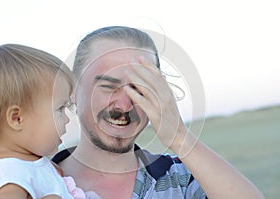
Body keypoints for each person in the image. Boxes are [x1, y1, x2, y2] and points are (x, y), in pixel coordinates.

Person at [52, 26, 264, 199]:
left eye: (140, 89)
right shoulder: (33, 180)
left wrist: (179, 136)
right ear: (72, 89)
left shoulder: (182, 177)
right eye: (108, 86)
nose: (125, 106)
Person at [0, 44, 101, 199]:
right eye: (60, 109)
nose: (66, 119)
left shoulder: (26, 164)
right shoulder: (10, 179)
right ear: (17, 119)